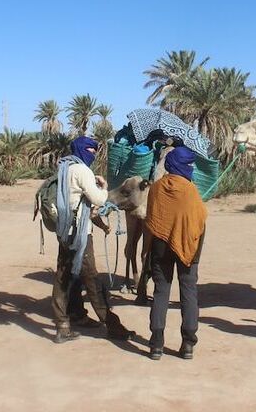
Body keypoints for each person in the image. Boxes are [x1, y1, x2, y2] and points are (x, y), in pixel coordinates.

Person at [51, 136, 135, 344]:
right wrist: (104, 186)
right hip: (80, 233)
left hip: (64, 230)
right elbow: (98, 199)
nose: (93, 154)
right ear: (81, 149)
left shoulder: (64, 167)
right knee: (93, 279)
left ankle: (64, 322)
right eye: (90, 149)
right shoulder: (81, 170)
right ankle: (113, 326)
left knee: (64, 277)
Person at [144, 146, 207, 360]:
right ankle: (188, 344)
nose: (190, 168)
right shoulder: (191, 190)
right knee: (189, 291)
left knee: (161, 291)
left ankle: (156, 344)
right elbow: (200, 221)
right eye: (189, 165)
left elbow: (152, 221)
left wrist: (146, 252)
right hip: (189, 247)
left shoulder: (156, 188)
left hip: (160, 246)